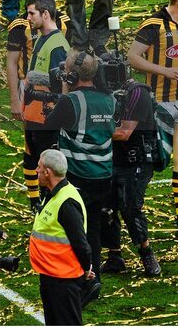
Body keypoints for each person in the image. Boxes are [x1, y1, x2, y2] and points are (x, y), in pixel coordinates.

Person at [39, 49, 113, 299]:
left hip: (79, 175)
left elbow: (49, 125)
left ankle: (84, 278)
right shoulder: (110, 99)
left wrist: (62, 91)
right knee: (92, 227)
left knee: (75, 231)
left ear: (71, 75)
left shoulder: (71, 101)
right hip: (103, 174)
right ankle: (96, 277)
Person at [127, 0, 178, 228]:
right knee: (152, 160)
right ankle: (135, 211)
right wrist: (163, 71)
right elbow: (133, 58)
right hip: (158, 104)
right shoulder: (152, 25)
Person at [101, 79, 162, 277]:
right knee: (106, 206)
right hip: (115, 158)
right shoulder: (103, 91)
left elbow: (125, 133)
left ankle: (147, 253)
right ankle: (114, 256)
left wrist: (92, 131)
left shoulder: (137, 93)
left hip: (137, 160)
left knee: (130, 208)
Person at [13, 0, 68, 211]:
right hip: (35, 115)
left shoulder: (57, 45)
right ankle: (41, 205)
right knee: (36, 161)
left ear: (45, 14)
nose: (28, 18)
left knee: (48, 168)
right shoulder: (42, 39)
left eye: (31, 13)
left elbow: (60, 85)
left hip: (47, 119)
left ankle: (50, 208)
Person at [30, 149, 93, 326]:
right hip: (52, 275)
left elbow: (82, 245)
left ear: (47, 172)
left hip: (63, 280)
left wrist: (86, 269)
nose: (36, 170)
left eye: (39, 167)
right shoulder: (53, 193)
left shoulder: (67, 203)